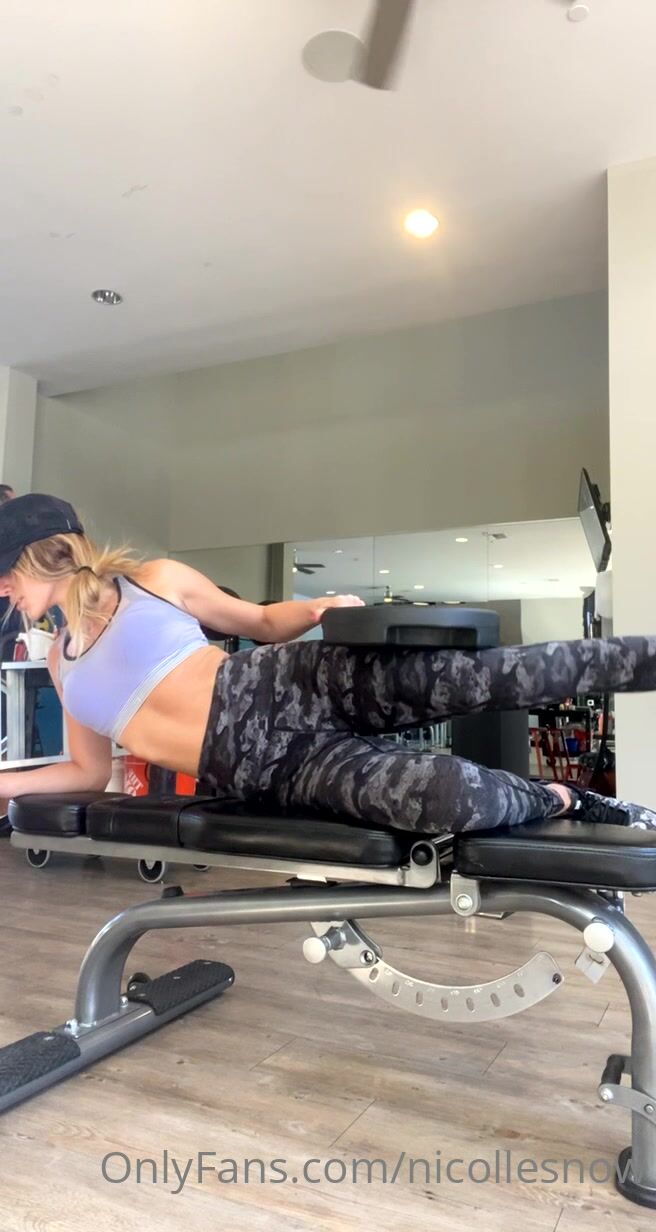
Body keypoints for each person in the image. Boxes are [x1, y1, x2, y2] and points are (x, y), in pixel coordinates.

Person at [1, 492, 656, 835]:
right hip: (273, 768)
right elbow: (87, 771)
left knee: (493, 675)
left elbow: (260, 624)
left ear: (40, 554)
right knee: (446, 799)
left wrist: (315, 609)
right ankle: (565, 798)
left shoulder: (154, 581)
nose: (3, 590)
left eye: (4, 574)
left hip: (292, 682)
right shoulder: (61, 664)